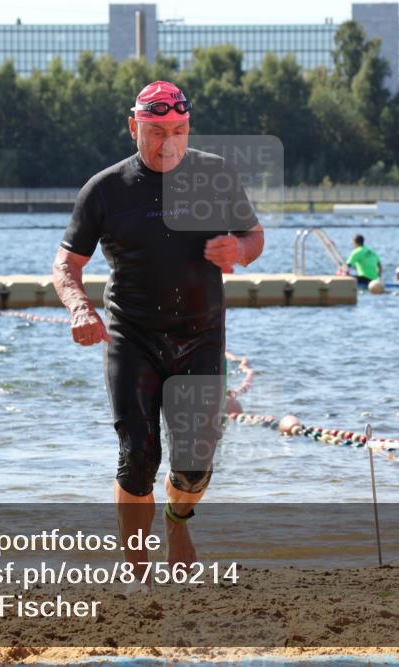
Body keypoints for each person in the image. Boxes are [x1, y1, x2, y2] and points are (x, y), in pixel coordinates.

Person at [52, 80, 264, 580]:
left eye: (179, 130)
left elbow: (252, 235)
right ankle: (138, 574)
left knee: (195, 463)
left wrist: (241, 251)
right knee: (137, 453)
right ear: (133, 128)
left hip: (201, 334)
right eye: (156, 131)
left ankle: (178, 519)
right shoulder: (105, 189)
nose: (169, 143)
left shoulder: (215, 175)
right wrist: (79, 308)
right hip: (134, 336)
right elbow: (66, 264)